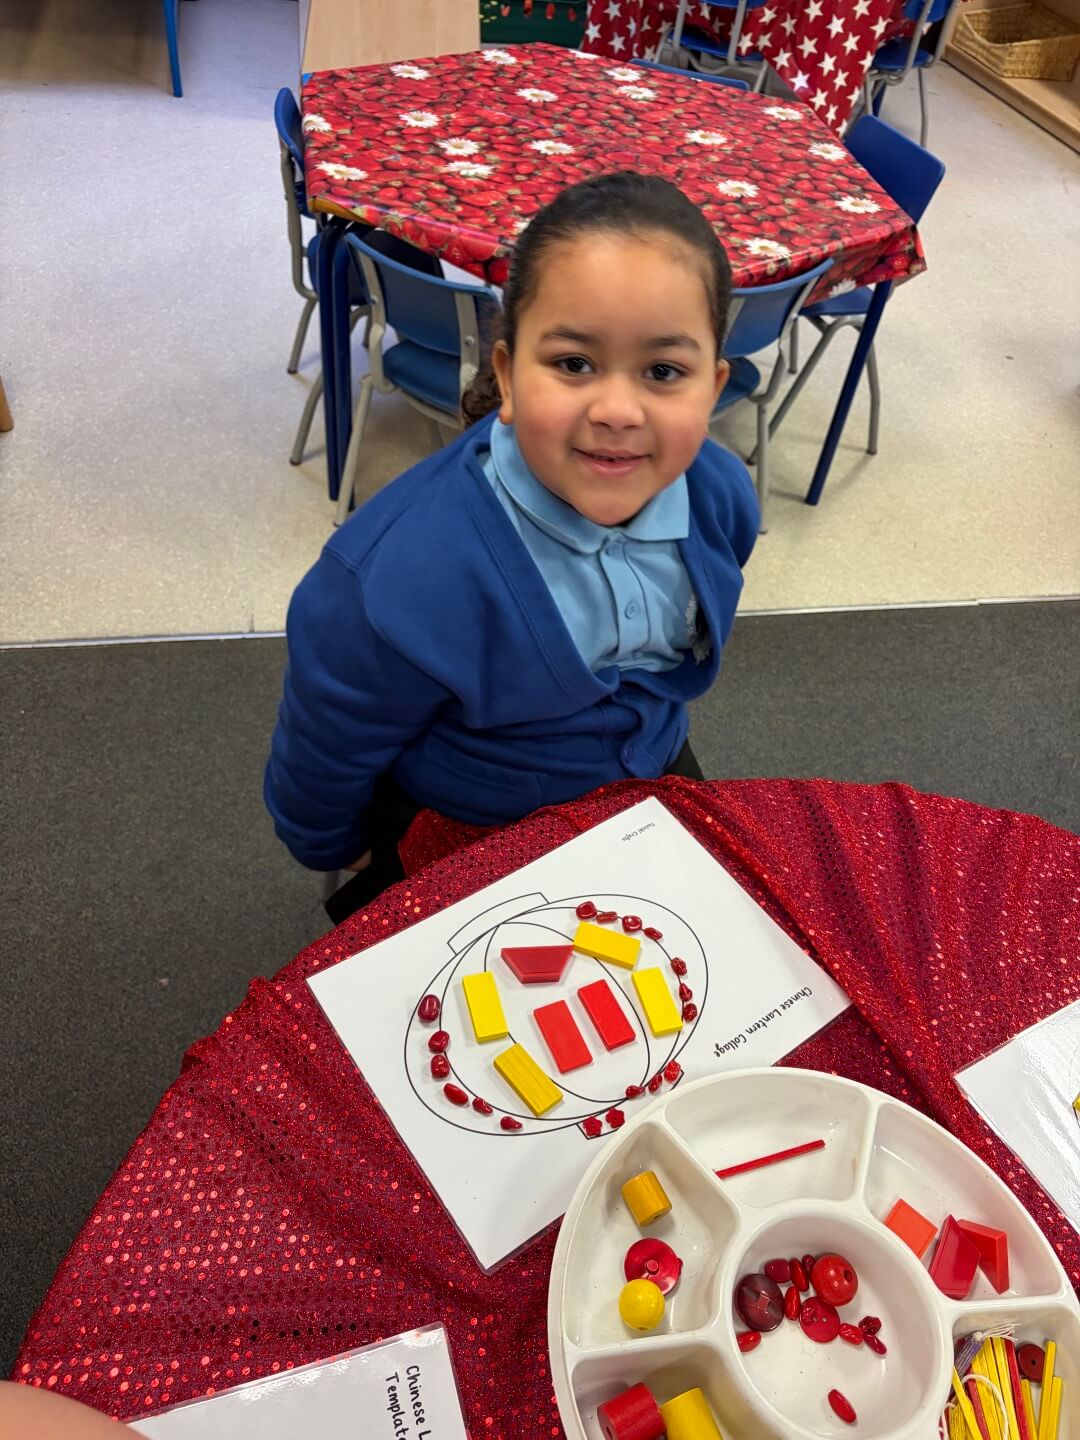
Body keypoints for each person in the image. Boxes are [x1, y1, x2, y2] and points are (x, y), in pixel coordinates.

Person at [265, 171, 759, 920]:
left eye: (663, 371)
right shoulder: (398, 577)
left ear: (713, 387)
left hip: (652, 765)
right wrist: (338, 846)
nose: (618, 411)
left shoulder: (719, 498)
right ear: (506, 375)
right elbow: (326, 742)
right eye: (573, 364)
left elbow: (670, 651)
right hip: (474, 817)